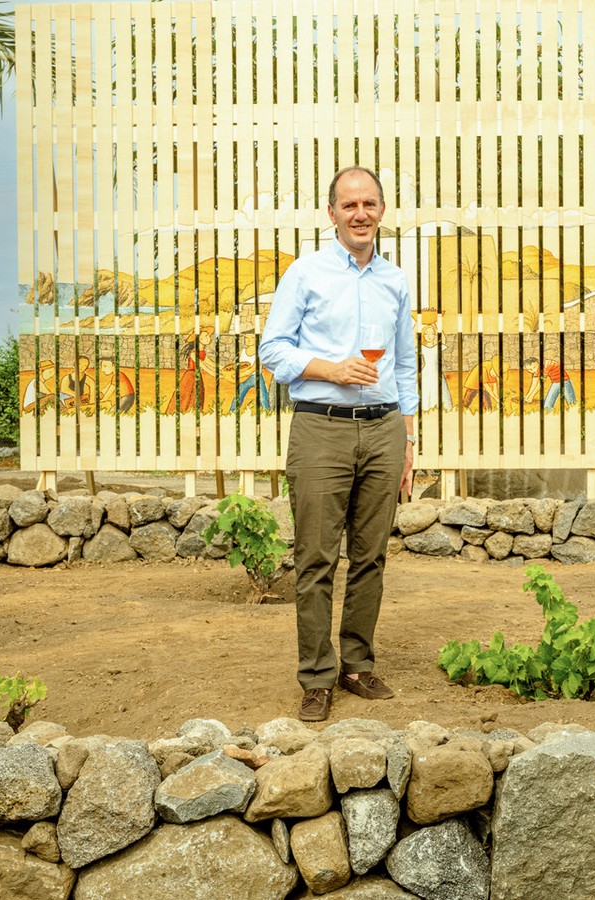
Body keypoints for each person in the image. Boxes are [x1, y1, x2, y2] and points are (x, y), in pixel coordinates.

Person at [259, 166, 418, 723]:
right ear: (331, 214)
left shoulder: (394, 281)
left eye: (369, 203)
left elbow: (404, 363)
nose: (360, 213)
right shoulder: (305, 275)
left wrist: (408, 435)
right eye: (348, 205)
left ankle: (356, 665)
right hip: (320, 427)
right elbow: (273, 352)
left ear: (381, 211)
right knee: (317, 558)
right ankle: (317, 677)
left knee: (371, 557)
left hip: (382, 430)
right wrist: (332, 369)